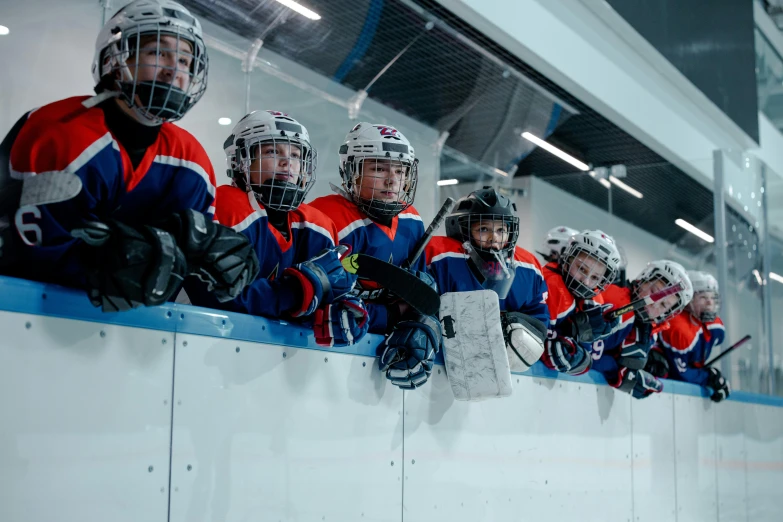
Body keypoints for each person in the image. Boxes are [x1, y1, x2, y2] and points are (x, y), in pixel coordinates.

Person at [0, 0, 258, 312]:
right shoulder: (60, 133)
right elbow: (32, 256)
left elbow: (176, 273)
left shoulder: (192, 161)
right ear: (114, 58)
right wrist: (122, 260)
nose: (173, 71)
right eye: (158, 52)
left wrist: (208, 257)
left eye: (185, 60)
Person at [187, 110, 367, 347]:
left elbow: (326, 303)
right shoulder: (222, 206)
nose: (287, 163)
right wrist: (296, 290)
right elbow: (217, 296)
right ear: (241, 160)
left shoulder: (319, 225)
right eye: (273, 151)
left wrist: (346, 311)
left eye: (295, 155)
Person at [309, 122, 440, 388]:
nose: (393, 180)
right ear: (351, 172)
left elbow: (422, 295)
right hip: (326, 362)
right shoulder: (322, 218)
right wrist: (393, 315)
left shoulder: (412, 219)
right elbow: (323, 308)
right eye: (379, 169)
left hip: (385, 354)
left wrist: (425, 324)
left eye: (401, 171)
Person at [426, 186, 549, 372]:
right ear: (462, 229)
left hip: (503, 371)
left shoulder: (528, 268)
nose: (494, 238)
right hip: (441, 363)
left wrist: (514, 326)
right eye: (483, 229)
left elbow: (539, 321)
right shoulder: (439, 256)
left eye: (501, 230)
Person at [592, 260, 694, 400]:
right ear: (643, 279)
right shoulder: (614, 301)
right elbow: (588, 355)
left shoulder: (651, 330)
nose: (654, 303)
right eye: (654, 292)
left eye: (664, 304)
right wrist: (615, 370)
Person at [539, 230, 623, 375]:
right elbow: (539, 345)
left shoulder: (595, 301)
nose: (586, 281)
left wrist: (580, 347)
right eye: (582, 268)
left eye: (595, 277)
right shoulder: (550, 284)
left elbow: (590, 357)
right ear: (568, 259)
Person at [651, 270, 729, 402]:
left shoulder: (715, 326)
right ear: (689, 299)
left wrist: (712, 377)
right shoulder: (678, 327)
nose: (710, 303)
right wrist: (707, 377)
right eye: (703, 297)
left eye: (712, 297)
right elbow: (681, 374)